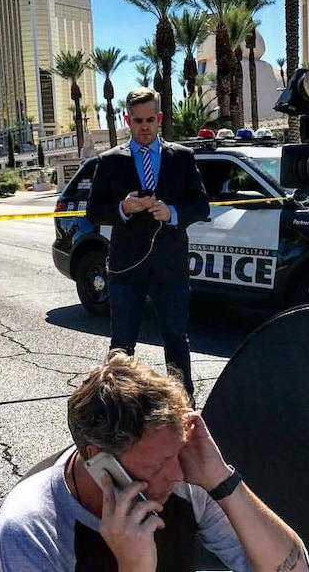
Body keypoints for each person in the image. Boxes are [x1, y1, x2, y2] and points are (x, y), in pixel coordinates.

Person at [0, 350, 309, 572]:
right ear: (99, 460)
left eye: (177, 453)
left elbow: (295, 568)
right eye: (156, 465)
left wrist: (222, 480)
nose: (176, 473)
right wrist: (133, 567)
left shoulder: (185, 477)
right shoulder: (30, 528)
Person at [86, 87, 209, 399]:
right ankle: (116, 410)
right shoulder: (110, 161)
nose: (144, 126)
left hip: (170, 267)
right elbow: (93, 211)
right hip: (126, 267)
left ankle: (185, 410)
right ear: (127, 120)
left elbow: (202, 205)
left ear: (160, 119)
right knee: (122, 347)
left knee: (176, 343)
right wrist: (123, 209)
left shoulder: (181, 157)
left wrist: (173, 213)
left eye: (150, 119)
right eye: (137, 120)